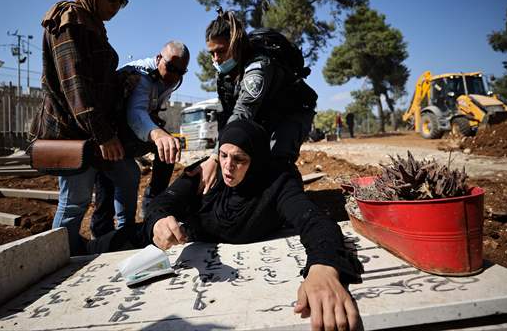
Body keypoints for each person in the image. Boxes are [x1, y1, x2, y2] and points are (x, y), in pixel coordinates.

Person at [143, 119, 362, 331]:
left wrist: (323, 266)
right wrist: (159, 221)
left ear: (256, 160)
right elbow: (163, 203)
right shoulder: (205, 174)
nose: (228, 166)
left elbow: (313, 220)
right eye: (224, 155)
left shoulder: (276, 184)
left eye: (239, 159)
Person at [29, 0, 132, 255]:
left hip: (90, 131)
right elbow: (76, 89)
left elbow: (99, 81)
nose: (117, 5)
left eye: (122, 1)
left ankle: (123, 239)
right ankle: (59, 260)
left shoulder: (93, 25)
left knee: (127, 175)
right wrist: (104, 135)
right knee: (74, 200)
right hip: (74, 133)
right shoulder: (69, 19)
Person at [194, 9, 318, 193]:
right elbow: (231, 116)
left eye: (220, 51)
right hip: (264, 114)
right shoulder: (227, 75)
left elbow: (242, 112)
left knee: (278, 160)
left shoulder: (257, 69)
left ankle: (293, 197)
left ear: (235, 44)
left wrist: (214, 157)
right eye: (212, 53)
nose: (216, 59)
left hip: (291, 114)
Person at [90, 41, 190, 237]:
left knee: (168, 149)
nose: (174, 75)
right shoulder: (141, 76)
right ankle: (100, 233)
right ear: (159, 58)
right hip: (109, 136)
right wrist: (156, 133)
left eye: (181, 72)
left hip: (131, 133)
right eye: (171, 68)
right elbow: (136, 113)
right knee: (108, 180)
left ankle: (151, 205)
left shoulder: (169, 79)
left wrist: (160, 133)